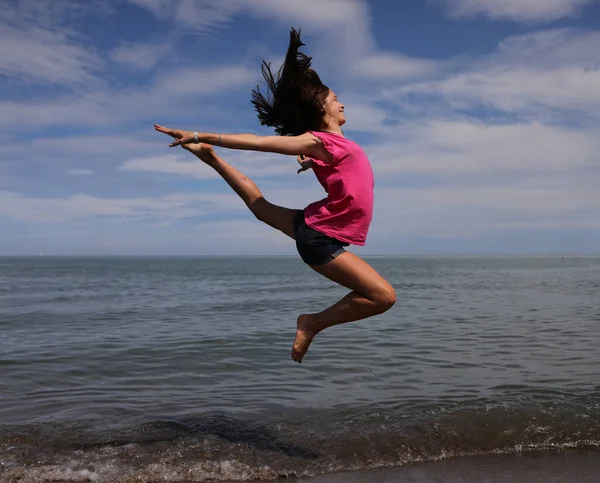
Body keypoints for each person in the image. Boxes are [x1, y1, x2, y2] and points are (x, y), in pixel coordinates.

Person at [154, 28, 396, 363]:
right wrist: (199, 133)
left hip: (315, 223)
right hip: (319, 238)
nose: (342, 102)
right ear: (321, 105)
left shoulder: (330, 148)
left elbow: (344, 174)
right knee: (383, 296)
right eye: (335, 97)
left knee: (261, 208)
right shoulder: (318, 141)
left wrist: (313, 164)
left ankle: (211, 160)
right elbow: (259, 142)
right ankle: (311, 323)